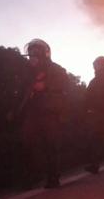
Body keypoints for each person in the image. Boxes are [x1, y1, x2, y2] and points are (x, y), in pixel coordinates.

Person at [18, 39, 69, 188]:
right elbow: (22, 90)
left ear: (44, 53)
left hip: (50, 112)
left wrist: (46, 86)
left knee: (51, 145)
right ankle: (31, 177)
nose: (33, 54)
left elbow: (65, 83)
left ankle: (53, 177)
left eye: (36, 51)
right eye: (31, 52)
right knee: (26, 143)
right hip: (32, 111)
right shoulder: (27, 71)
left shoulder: (55, 69)